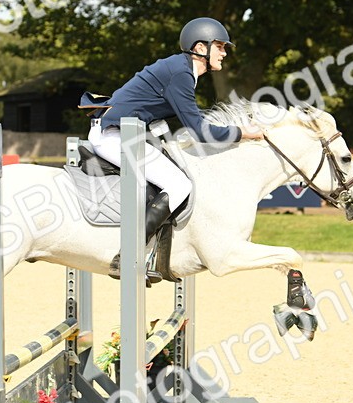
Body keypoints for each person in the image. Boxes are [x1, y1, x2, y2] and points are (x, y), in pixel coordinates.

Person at [87, 17, 263, 282]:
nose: (225, 52)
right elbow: (200, 131)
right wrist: (242, 134)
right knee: (179, 184)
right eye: (220, 46)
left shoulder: (182, 70)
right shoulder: (181, 73)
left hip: (124, 132)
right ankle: (128, 256)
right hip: (112, 135)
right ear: (201, 48)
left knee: (175, 172)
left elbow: (164, 119)